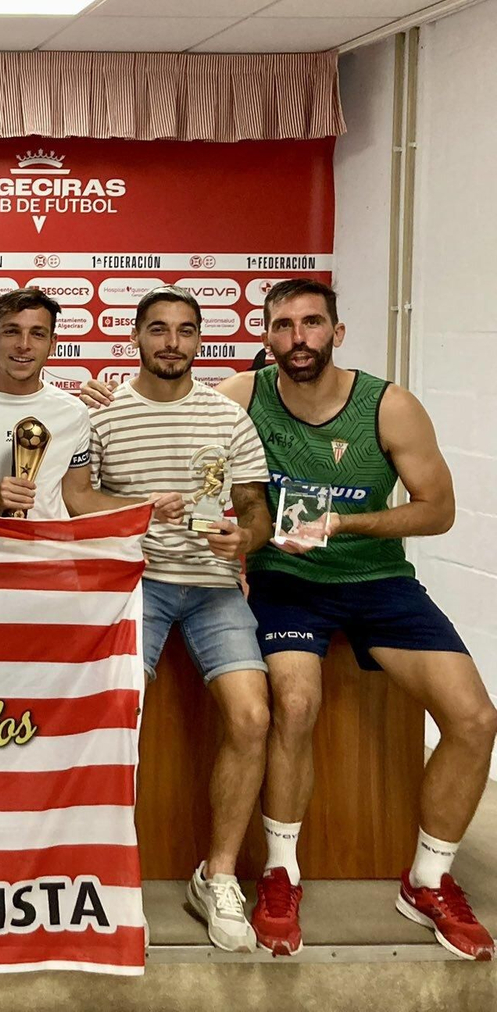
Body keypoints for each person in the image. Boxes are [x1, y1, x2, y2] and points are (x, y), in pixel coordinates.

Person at [236, 279, 492, 959]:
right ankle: (280, 872)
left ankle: (429, 880)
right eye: (284, 325)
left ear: (336, 333)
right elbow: (172, 415)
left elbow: (436, 508)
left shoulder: (388, 405)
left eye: (312, 323)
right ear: (267, 336)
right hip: (286, 584)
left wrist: (346, 522)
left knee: (475, 720)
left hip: (377, 580)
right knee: (294, 701)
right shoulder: (243, 395)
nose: (298, 337)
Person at [85, 285, 274, 953]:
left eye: (185, 330)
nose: (172, 342)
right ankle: (104, 872)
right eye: (159, 329)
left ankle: (216, 876)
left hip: (214, 586)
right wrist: (135, 513)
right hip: (136, 582)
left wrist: (243, 539)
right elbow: (81, 497)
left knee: (253, 716)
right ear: (136, 337)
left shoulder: (228, 418)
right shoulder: (104, 415)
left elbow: (256, 511)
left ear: (200, 340)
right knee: (116, 714)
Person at [0, 287, 180, 522]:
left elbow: (78, 498)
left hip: (47, 552)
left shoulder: (72, 412)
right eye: (12, 331)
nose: (24, 344)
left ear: (52, 344)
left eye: (37, 334)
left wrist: (147, 506)